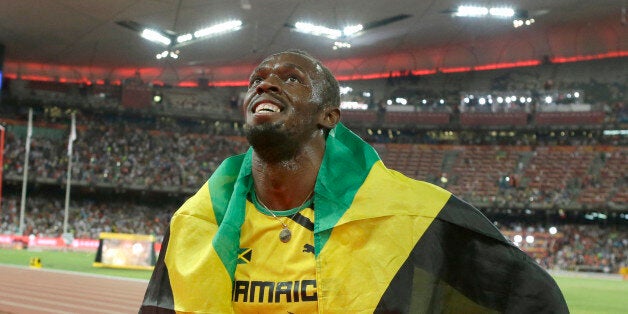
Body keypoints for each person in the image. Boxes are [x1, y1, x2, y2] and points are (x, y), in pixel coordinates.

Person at [140, 50, 568, 313]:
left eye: (292, 78)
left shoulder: (410, 217)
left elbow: (530, 299)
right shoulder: (196, 223)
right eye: (257, 80)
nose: (265, 83)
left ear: (329, 117)